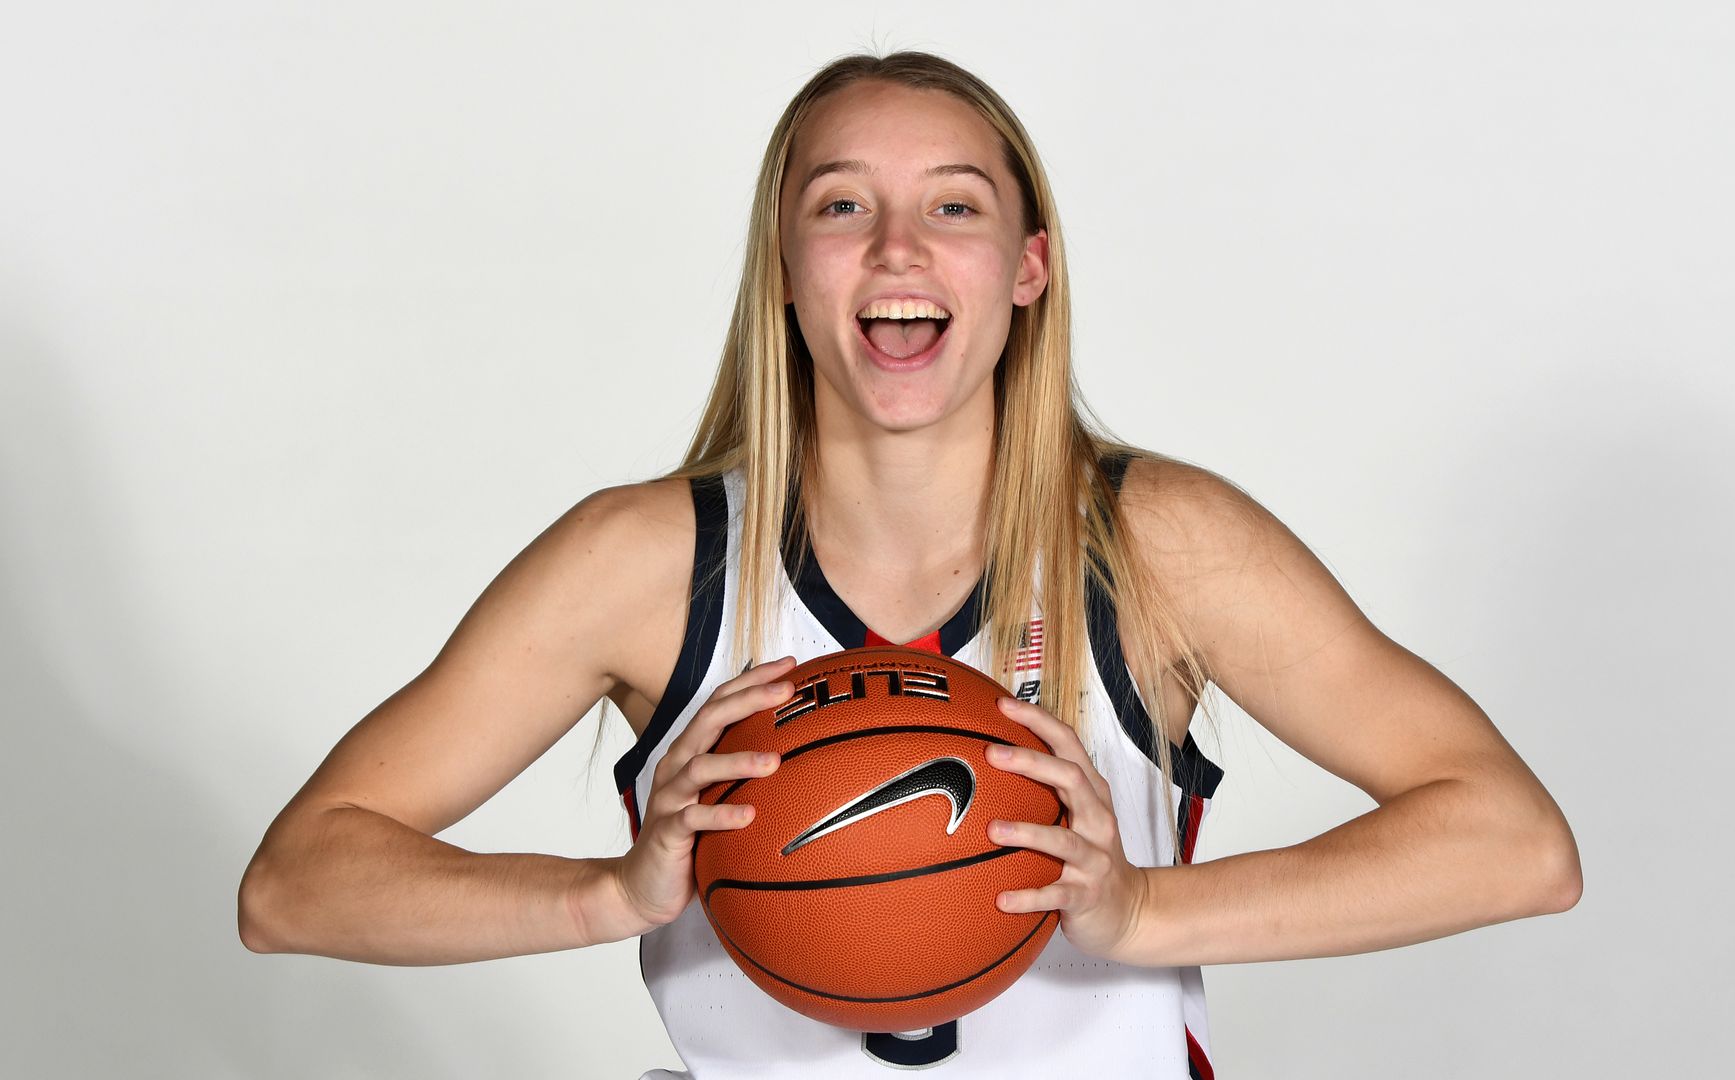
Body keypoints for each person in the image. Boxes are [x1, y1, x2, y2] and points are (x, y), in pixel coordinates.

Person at [238, 50, 1581, 1079]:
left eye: (953, 204)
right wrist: (612, 891)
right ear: (784, 265)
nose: (897, 249)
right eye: (842, 205)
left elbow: (1513, 845)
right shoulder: (647, 561)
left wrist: (1142, 914)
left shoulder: (1154, 543)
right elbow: (295, 882)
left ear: (1026, 269)